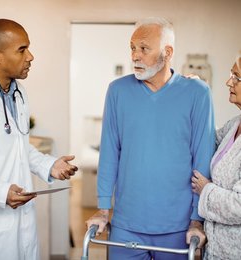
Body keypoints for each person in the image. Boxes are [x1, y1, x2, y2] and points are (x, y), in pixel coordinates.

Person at [86, 17, 215, 260]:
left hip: (178, 226)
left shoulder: (198, 93)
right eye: (132, 48)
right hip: (126, 224)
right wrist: (103, 209)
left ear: (167, 53)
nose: (135, 55)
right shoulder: (117, 91)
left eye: (144, 48)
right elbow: (110, 152)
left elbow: (203, 156)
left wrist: (197, 220)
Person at [0, 19, 78, 260]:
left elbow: (20, 148)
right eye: (22, 49)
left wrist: (49, 165)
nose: (31, 56)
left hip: (22, 221)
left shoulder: (19, 93)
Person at [192, 53, 241, 260]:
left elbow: (239, 205)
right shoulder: (235, 124)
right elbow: (208, 140)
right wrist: (197, 96)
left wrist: (206, 189)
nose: (228, 81)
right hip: (217, 248)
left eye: (237, 77)